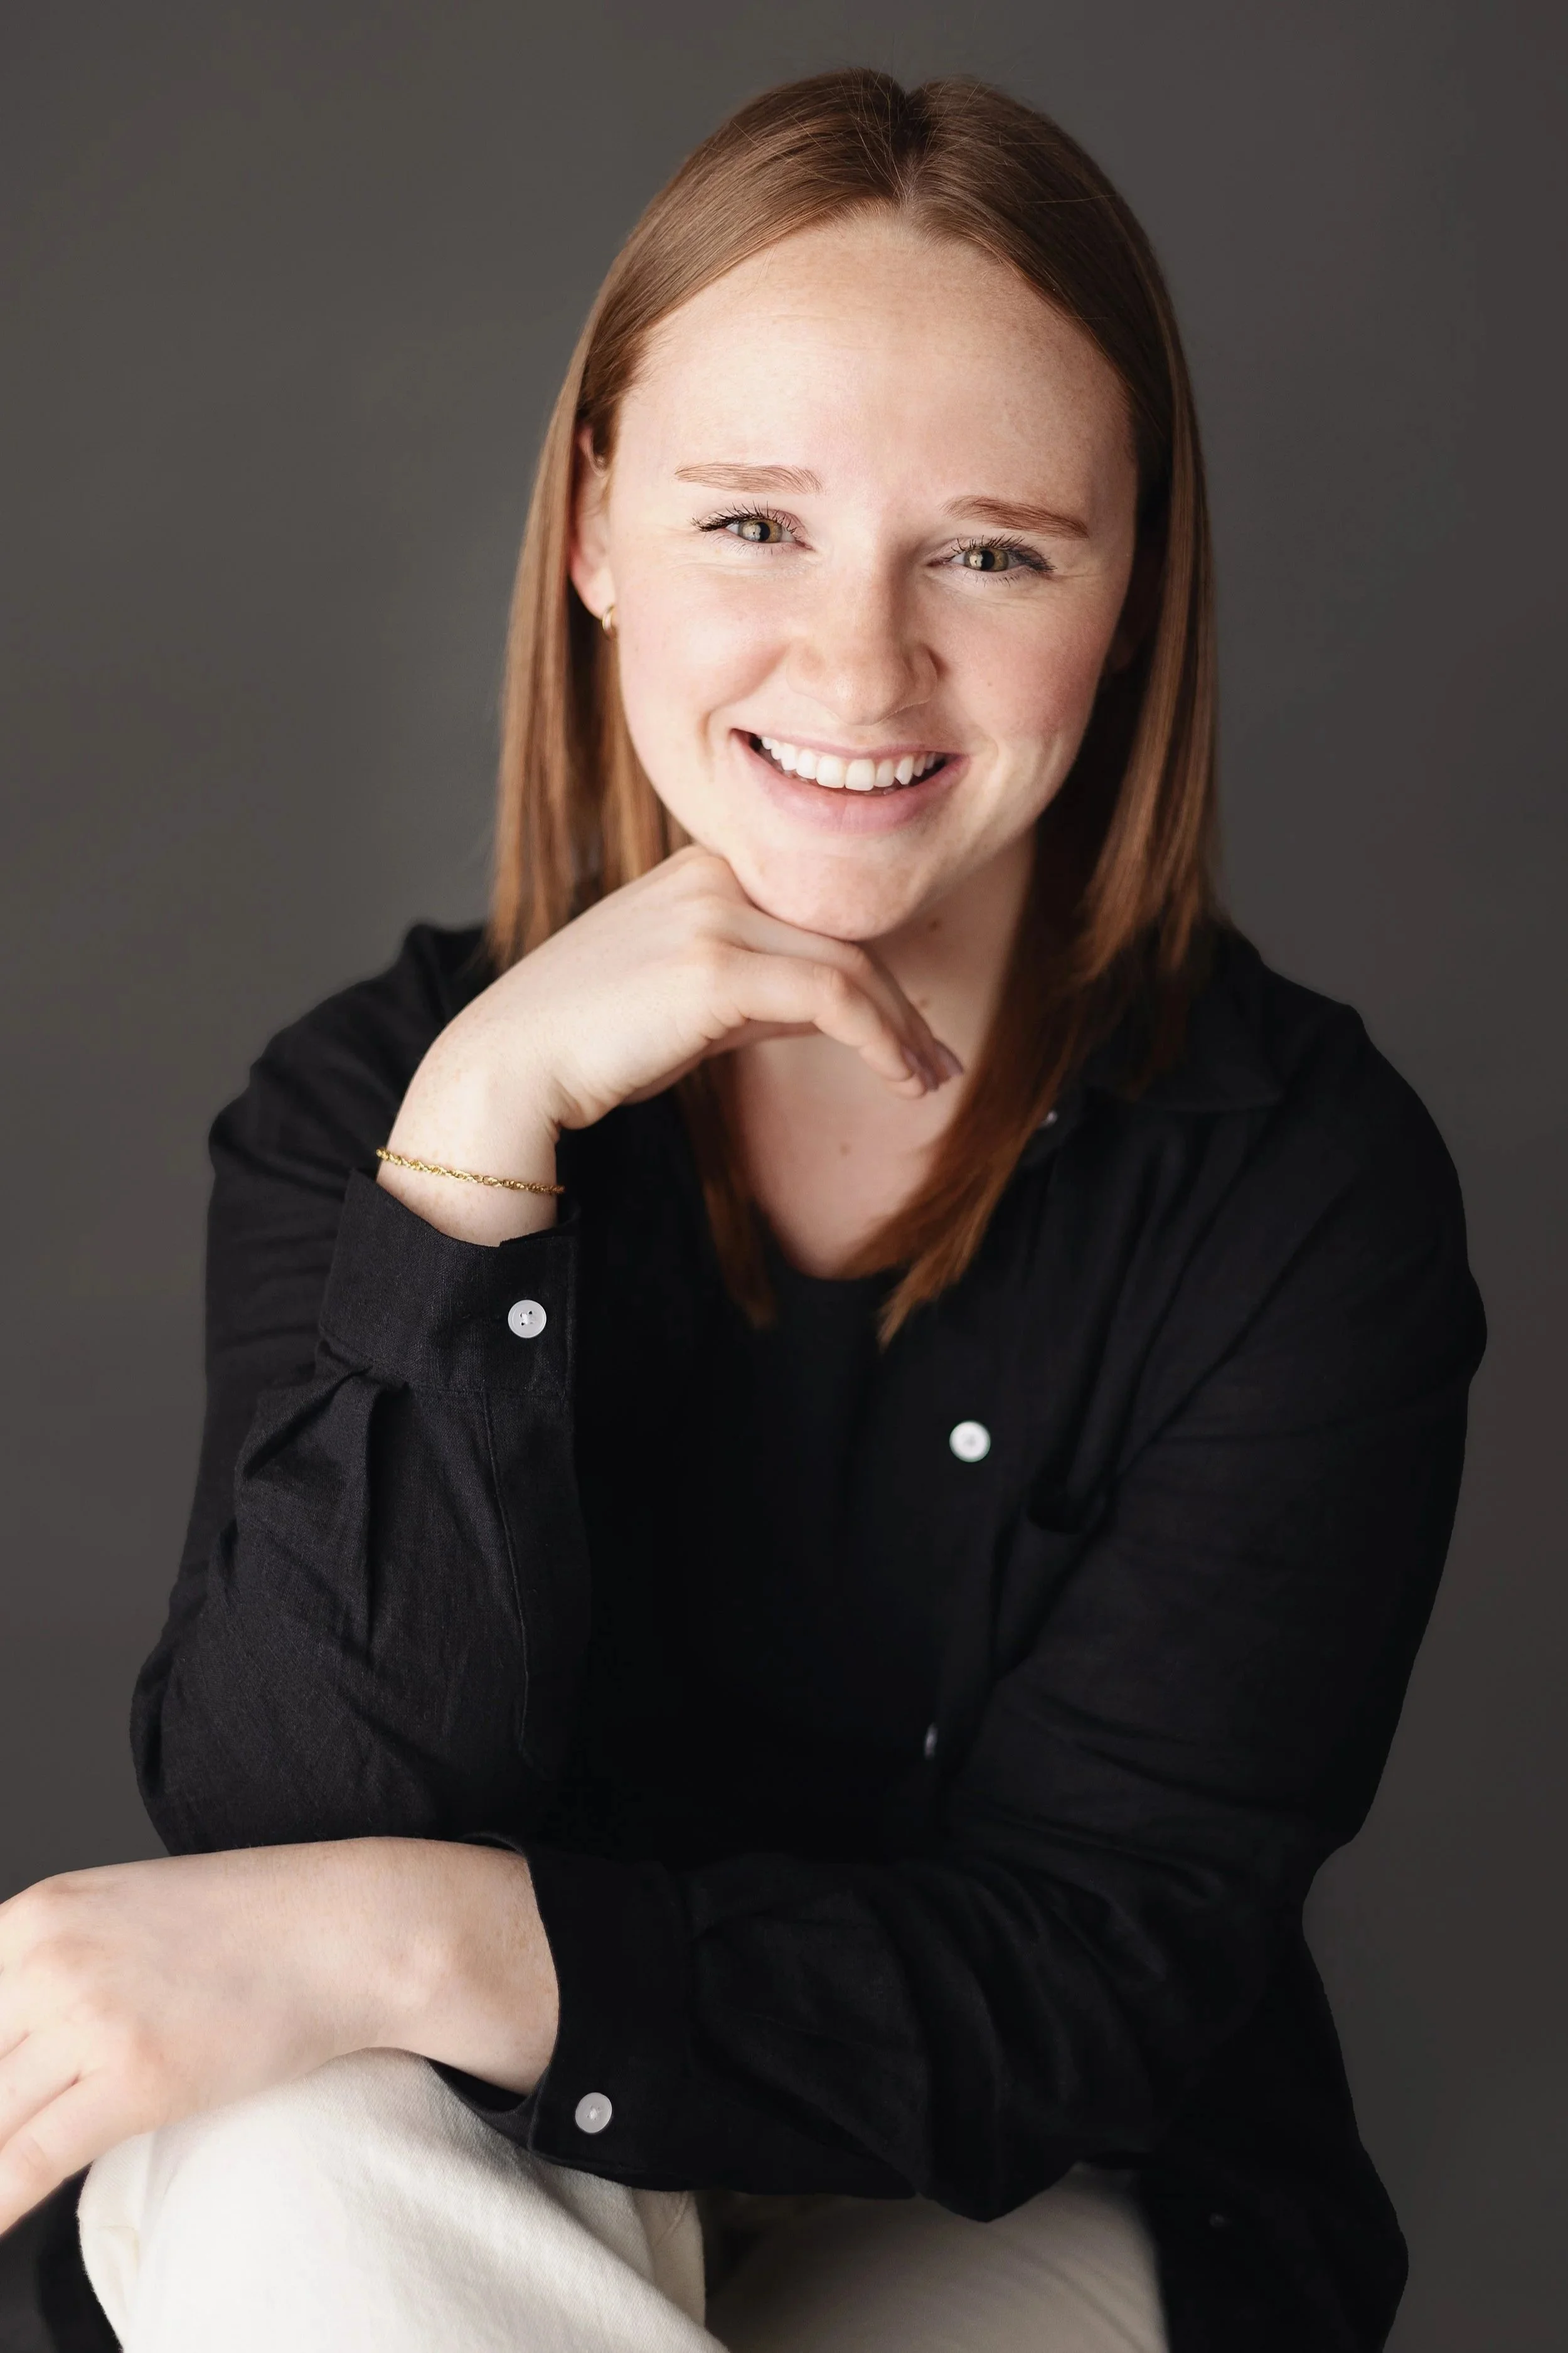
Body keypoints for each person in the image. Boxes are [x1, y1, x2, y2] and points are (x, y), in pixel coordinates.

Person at [0, 70, 1482, 2353]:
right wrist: (482, 1126)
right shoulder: (359, 1102)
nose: (863, 665)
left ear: (1134, 588)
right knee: (270, 2156)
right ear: (594, 525)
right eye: (755, 524)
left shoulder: (1300, 1190)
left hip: (1020, 2188)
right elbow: (284, 1808)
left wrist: (423, 1943)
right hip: (480, 2164)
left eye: (990, 551)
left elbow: (1089, 1978)